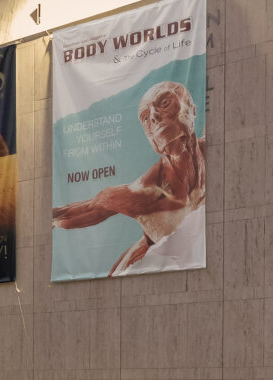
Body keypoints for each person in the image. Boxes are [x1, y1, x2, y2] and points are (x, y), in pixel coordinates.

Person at [51, 78, 206, 276]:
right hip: (151, 256)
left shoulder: (212, 153)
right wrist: (52, 219)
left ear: (192, 108)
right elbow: (90, 209)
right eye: (146, 118)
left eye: (164, 103)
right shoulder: (144, 193)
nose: (155, 117)